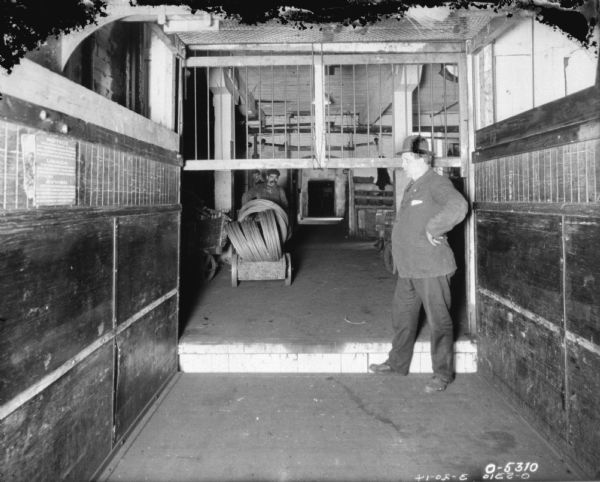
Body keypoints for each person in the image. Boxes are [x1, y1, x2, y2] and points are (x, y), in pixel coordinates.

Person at [369, 135, 468, 393]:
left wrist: (434, 228)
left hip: (432, 268)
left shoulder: (437, 182)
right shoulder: (415, 185)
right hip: (409, 269)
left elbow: (458, 206)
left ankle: (442, 375)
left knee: (440, 322)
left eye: (405, 159)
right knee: (402, 316)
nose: (402, 165)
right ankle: (397, 363)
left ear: (422, 158)